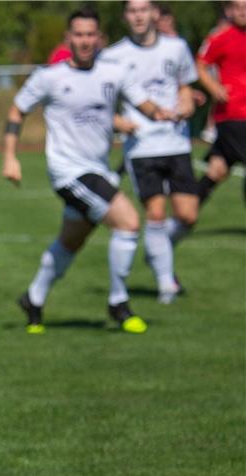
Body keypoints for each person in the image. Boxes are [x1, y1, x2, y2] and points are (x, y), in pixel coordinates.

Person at [2, 8, 180, 335]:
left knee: (70, 242)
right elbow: (17, 109)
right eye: (78, 35)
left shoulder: (114, 73)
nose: (85, 41)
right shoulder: (49, 77)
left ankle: (33, 298)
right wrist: (10, 157)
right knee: (128, 222)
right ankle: (118, 301)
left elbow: (144, 104)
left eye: (90, 35)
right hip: (69, 173)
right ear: (68, 38)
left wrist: (165, 112)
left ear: (100, 39)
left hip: (98, 170)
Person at [105, 0, 199, 304]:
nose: (138, 16)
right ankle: (165, 284)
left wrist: (186, 104)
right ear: (125, 16)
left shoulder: (176, 48)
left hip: (177, 142)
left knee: (187, 216)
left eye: (144, 10)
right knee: (156, 213)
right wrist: (121, 122)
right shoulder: (113, 56)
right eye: (132, 11)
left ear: (154, 13)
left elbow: (185, 87)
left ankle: (157, 249)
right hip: (142, 147)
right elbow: (102, 106)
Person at [195, 0, 246, 207]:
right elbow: (199, 64)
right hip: (234, 115)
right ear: (229, 10)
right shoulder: (221, 37)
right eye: (238, 7)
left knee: (217, 169)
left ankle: (183, 215)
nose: (243, 11)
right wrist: (214, 87)